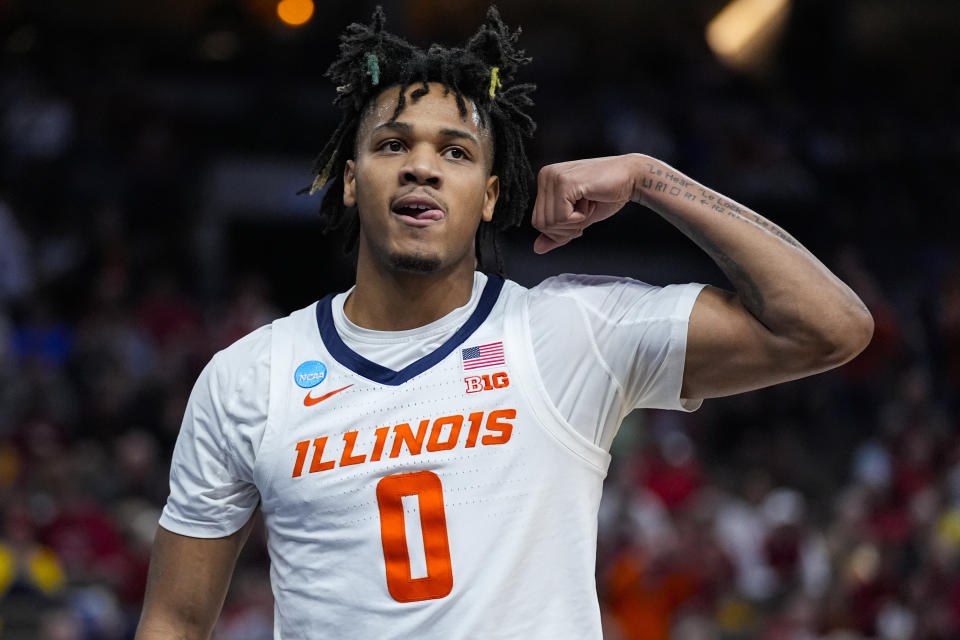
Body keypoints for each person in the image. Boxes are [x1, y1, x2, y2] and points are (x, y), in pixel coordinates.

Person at [135, 7, 873, 639]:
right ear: (353, 180)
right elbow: (173, 620)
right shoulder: (248, 376)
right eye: (393, 144)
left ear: (490, 196)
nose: (421, 167)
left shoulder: (572, 331)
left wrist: (652, 178)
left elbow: (830, 327)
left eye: (453, 152)